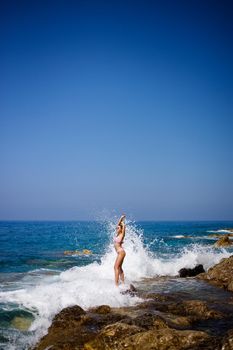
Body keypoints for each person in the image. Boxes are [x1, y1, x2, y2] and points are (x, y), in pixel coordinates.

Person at [114, 214, 126, 286]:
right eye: (116, 228)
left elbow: (123, 227)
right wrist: (121, 218)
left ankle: (116, 285)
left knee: (115, 267)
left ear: (121, 229)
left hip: (121, 252)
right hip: (120, 252)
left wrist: (123, 224)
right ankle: (123, 283)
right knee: (119, 267)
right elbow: (118, 225)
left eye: (118, 228)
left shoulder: (122, 235)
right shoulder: (117, 235)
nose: (116, 229)